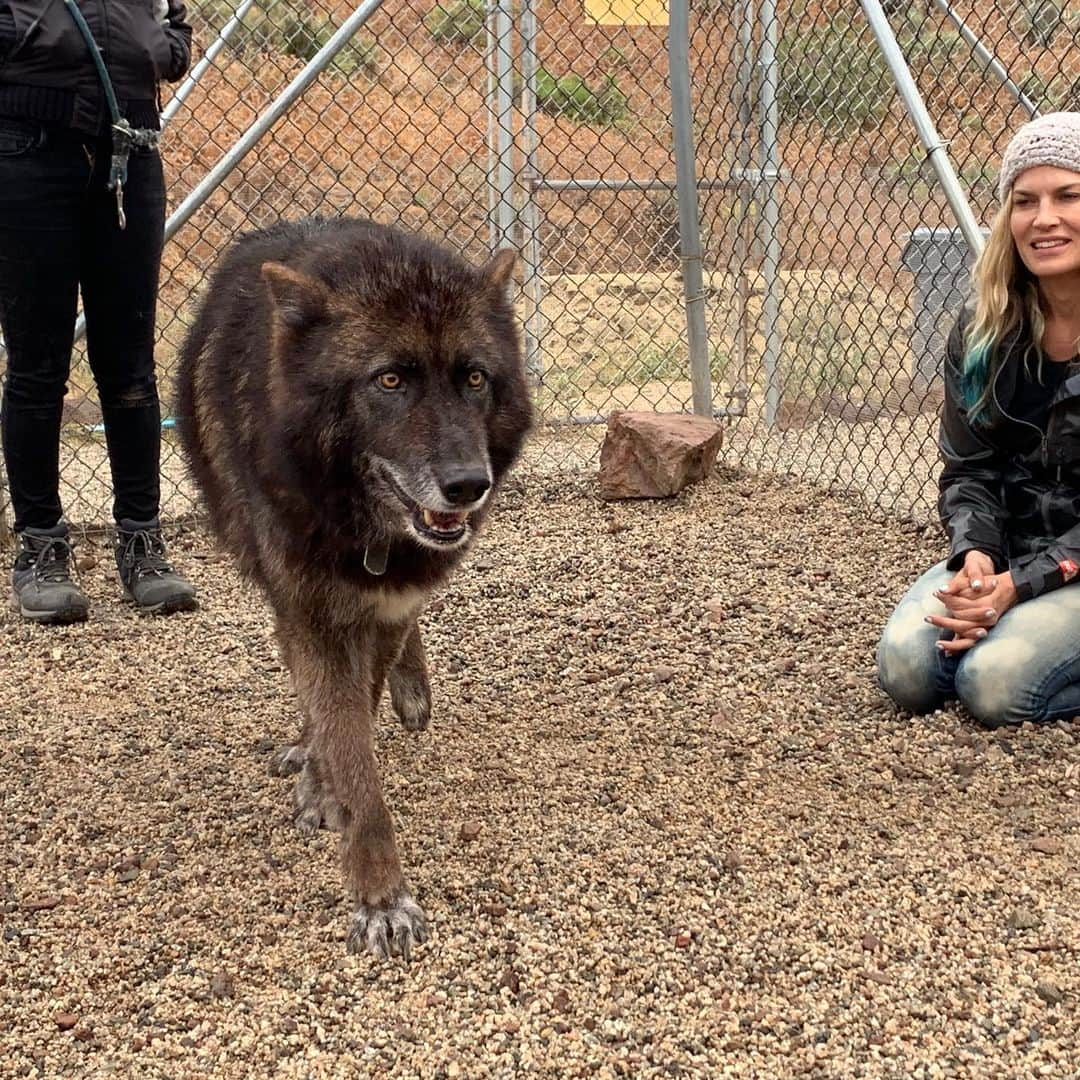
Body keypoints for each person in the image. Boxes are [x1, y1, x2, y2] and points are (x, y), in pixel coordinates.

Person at [878, 111, 1080, 727]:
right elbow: (969, 468)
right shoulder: (982, 329)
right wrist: (977, 558)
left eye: (1068, 195)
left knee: (994, 688)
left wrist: (1020, 586)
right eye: (1025, 201)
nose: (1043, 218)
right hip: (1013, 550)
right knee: (909, 671)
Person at [0, 0, 197, 623]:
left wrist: (164, 48)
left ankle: (142, 540)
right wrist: (34, 35)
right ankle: (41, 548)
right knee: (38, 366)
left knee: (130, 365)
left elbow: (174, 26)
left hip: (131, 150)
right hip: (28, 150)